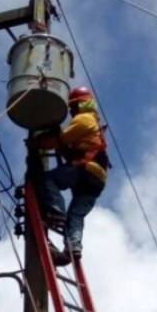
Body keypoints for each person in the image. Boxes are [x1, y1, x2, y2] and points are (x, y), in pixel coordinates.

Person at [33, 86, 110, 263]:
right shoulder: (93, 124)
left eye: (73, 107)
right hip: (97, 181)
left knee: (48, 179)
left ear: (81, 105)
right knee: (75, 215)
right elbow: (68, 148)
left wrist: (38, 143)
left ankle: (57, 213)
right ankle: (72, 249)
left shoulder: (85, 119)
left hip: (86, 170)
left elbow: (61, 140)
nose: (71, 111)